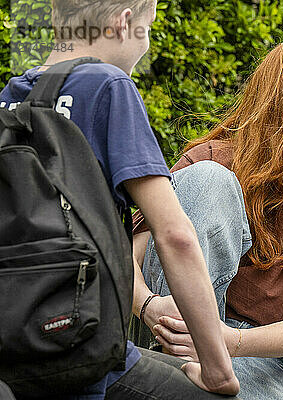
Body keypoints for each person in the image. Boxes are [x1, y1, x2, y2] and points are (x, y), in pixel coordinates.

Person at [0, 0, 240, 398]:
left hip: (15, 345)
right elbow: (175, 235)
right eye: (149, 28)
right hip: (82, 347)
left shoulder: (11, 97)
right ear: (124, 22)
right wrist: (217, 369)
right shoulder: (108, 86)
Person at [130, 34, 283, 400]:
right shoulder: (213, 158)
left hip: (256, 353)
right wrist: (149, 307)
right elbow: (128, 258)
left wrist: (230, 341)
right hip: (165, 329)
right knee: (209, 180)